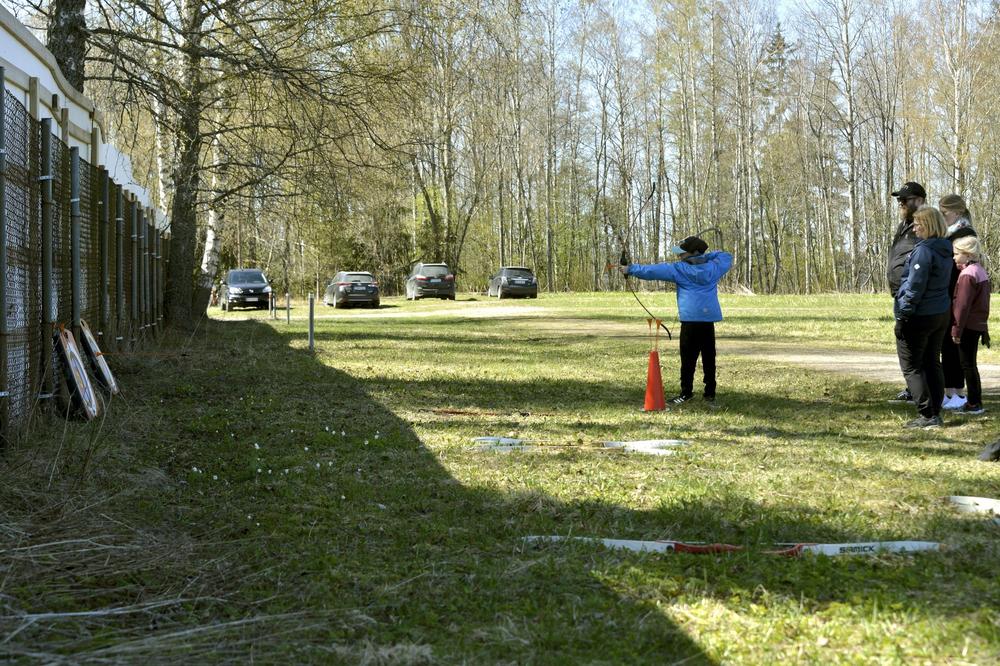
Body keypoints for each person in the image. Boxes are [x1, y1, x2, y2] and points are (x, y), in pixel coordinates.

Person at [620, 236, 733, 405]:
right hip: (707, 320)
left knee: (688, 359)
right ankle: (710, 394)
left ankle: (686, 393)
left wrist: (630, 269)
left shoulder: (679, 269)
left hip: (690, 322)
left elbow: (652, 271)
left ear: (693, 253)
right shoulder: (713, 267)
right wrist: (704, 257)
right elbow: (726, 256)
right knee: (709, 357)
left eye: (682, 252)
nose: (679, 255)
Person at [894, 206, 953, 429]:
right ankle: (935, 411)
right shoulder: (945, 249)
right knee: (932, 362)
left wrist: (903, 315)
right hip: (940, 313)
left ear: (928, 225)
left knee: (911, 366)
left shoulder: (924, 251)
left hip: (921, 314)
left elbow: (915, 287)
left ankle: (927, 414)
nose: (914, 229)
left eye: (918, 225)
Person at [887, 182, 927, 403]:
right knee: (908, 346)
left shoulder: (923, 227)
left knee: (915, 347)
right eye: (899, 200)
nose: (901, 203)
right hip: (900, 294)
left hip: (914, 296)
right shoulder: (904, 225)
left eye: (905, 199)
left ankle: (923, 395)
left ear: (919, 200)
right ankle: (914, 389)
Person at [939, 194, 978, 409]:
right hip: (948, 294)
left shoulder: (964, 234)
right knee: (947, 345)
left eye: (945, 213)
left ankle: (958, 392)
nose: (942, 216)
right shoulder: (950, 232)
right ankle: (949, 391)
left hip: (957, 294)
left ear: (958, 212)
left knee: (955, 345)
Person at [950, 235, 990, 415]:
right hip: (977, 324)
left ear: (967, 254)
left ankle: (974, 403)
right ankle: (975, 401)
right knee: (971, 364)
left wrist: (956, 330)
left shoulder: (967, 275)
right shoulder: (980, 271)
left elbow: (962, 306)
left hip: (968, 326)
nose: (954, 257)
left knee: (967, 365)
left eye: (956, 254)